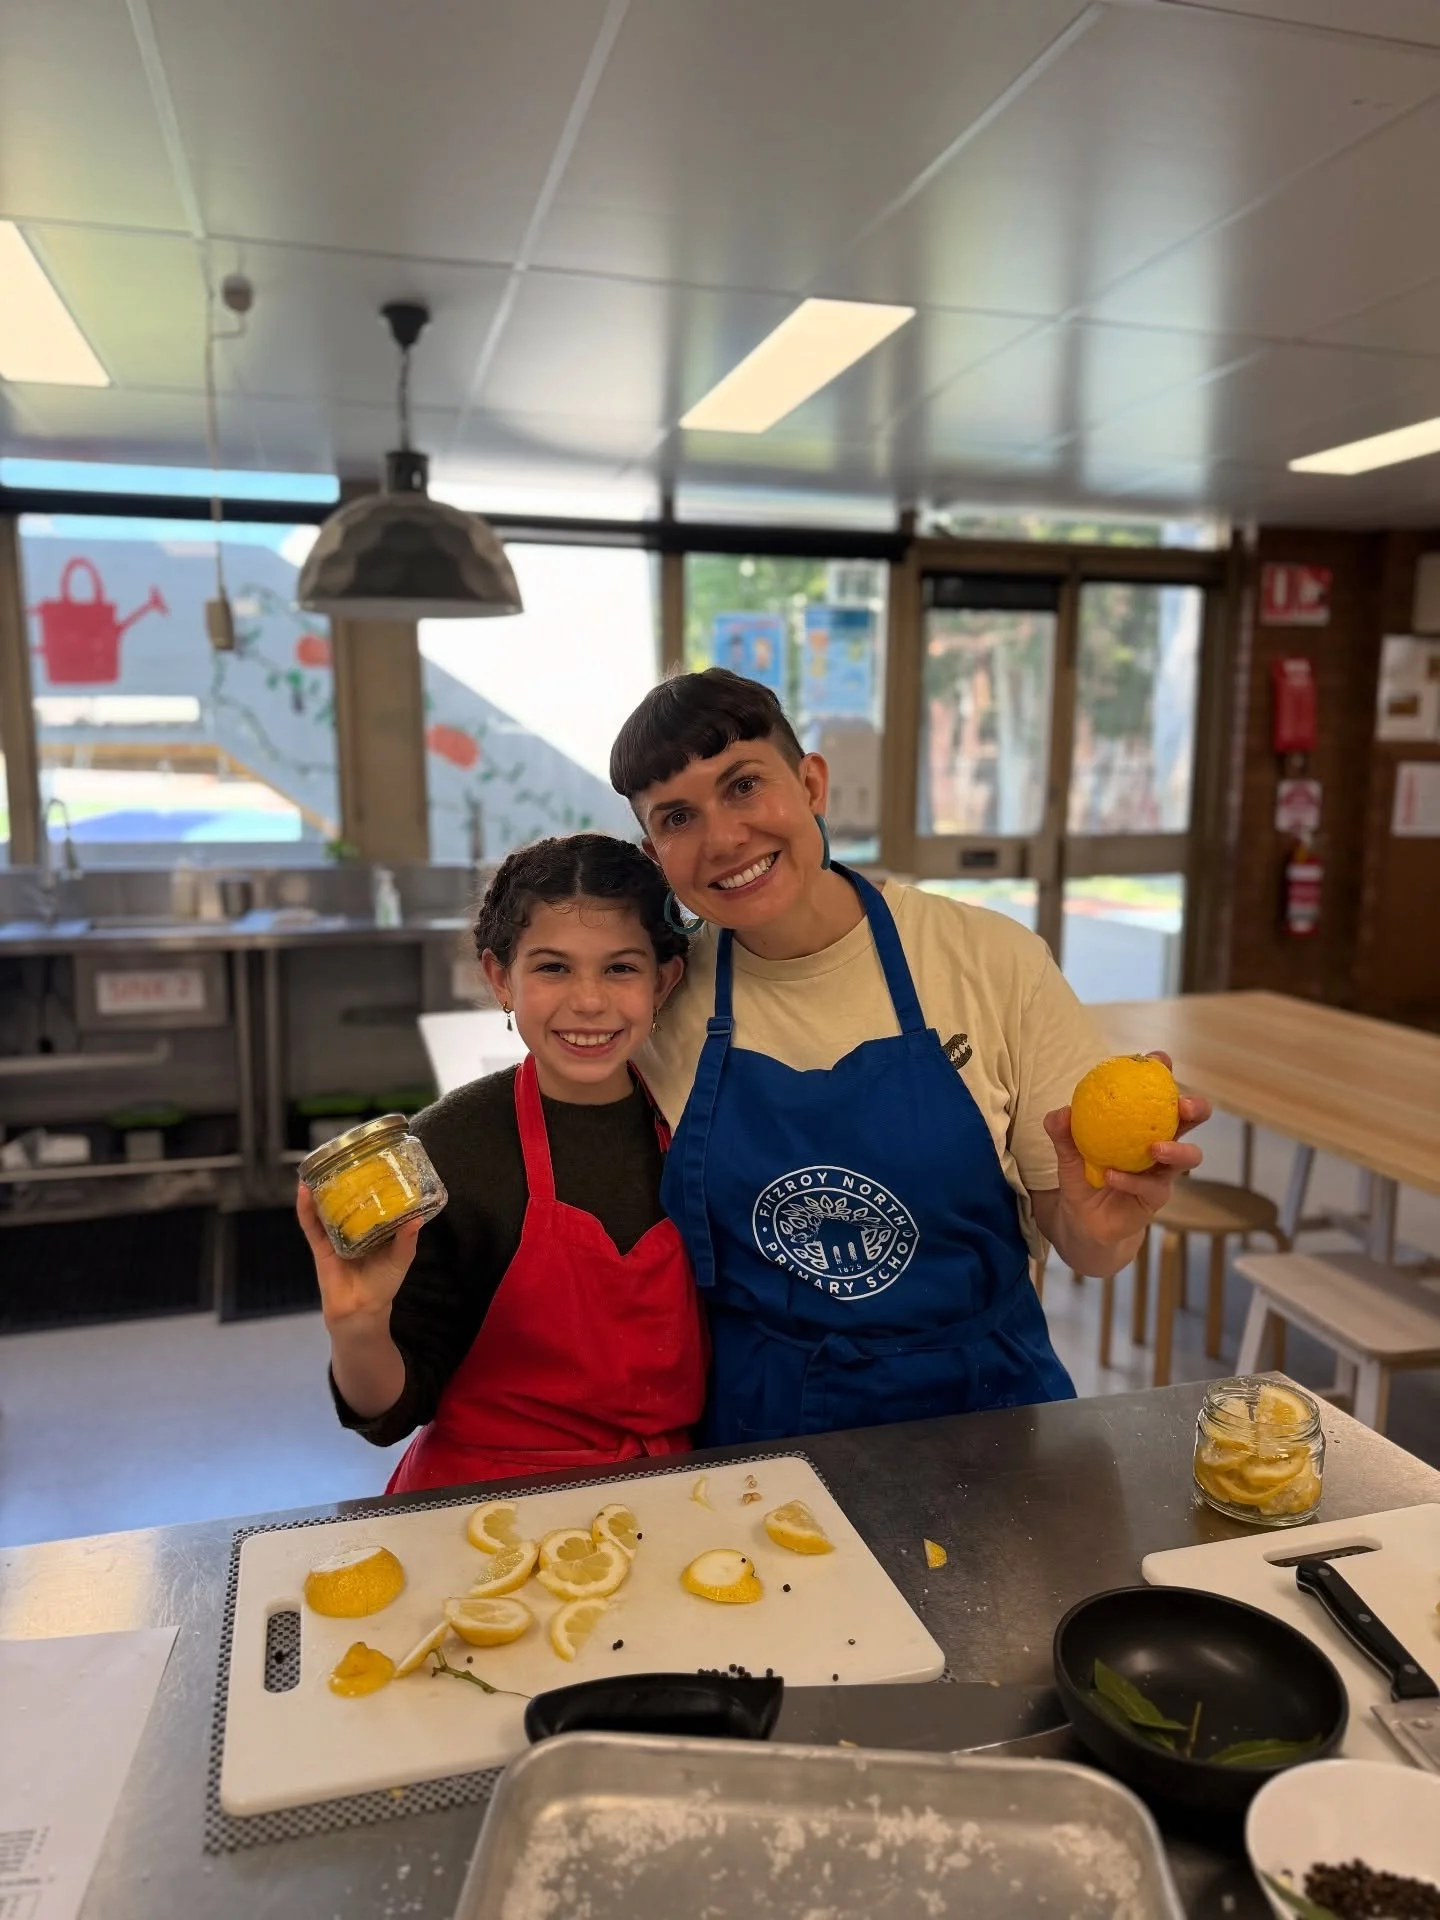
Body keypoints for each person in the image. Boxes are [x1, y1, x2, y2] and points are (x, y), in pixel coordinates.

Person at [608, 669, 1210, 1446]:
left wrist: (1106, 1222)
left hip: (988, 1407)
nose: (723, 838)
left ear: (813, 782)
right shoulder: (662, 1003)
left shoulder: (990, 961)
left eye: (745, 785)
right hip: (764, 1427)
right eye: (678, 817)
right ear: (656, 853)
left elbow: (1090, 1248)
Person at [300, 833, 707, 1492]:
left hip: (669, 1491)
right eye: (552, 968)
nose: (588, 1001)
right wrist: (359, 1326)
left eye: (620, 968)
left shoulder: (701, 1127)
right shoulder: (448, 1150)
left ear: (664, 981)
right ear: (499, 979)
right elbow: (388, 1411)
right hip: (483, 1502)